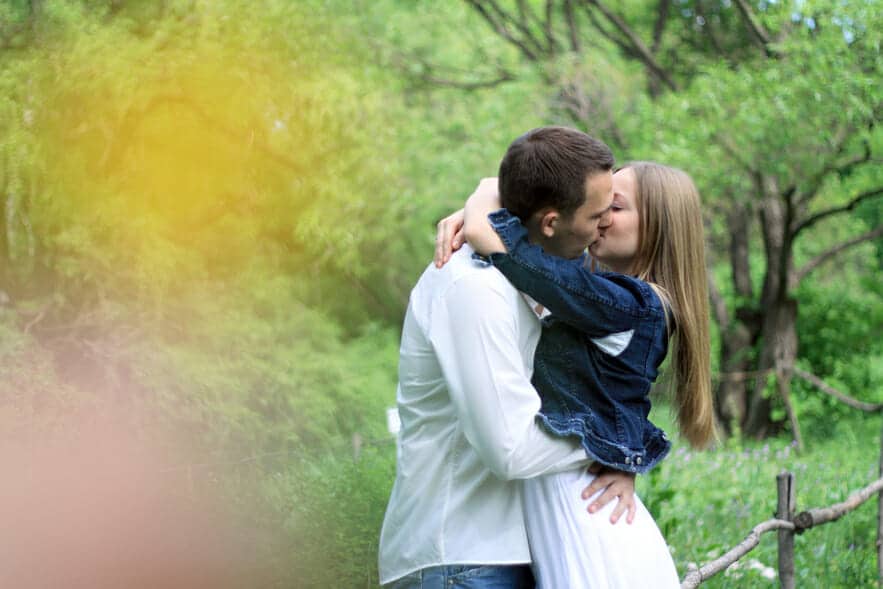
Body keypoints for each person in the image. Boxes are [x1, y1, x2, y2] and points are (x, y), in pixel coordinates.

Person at [378, 127, 638, 589]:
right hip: (458, 558)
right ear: (552, 221)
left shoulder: (532, 273)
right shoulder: (474, 287)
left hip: (504, 551)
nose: (605, 224)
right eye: (598, 213)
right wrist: (613, 445)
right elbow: (510, 448)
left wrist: (487, 195)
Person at [434, 160, 715, 588]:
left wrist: (480, 208)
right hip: (578, 514)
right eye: (597, 206)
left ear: (657, 227)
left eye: (614, 208)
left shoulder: (631, 306)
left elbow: (510, 253)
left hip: (591, 530)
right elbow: (621, 401)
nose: (599, 217)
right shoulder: (610, 300)